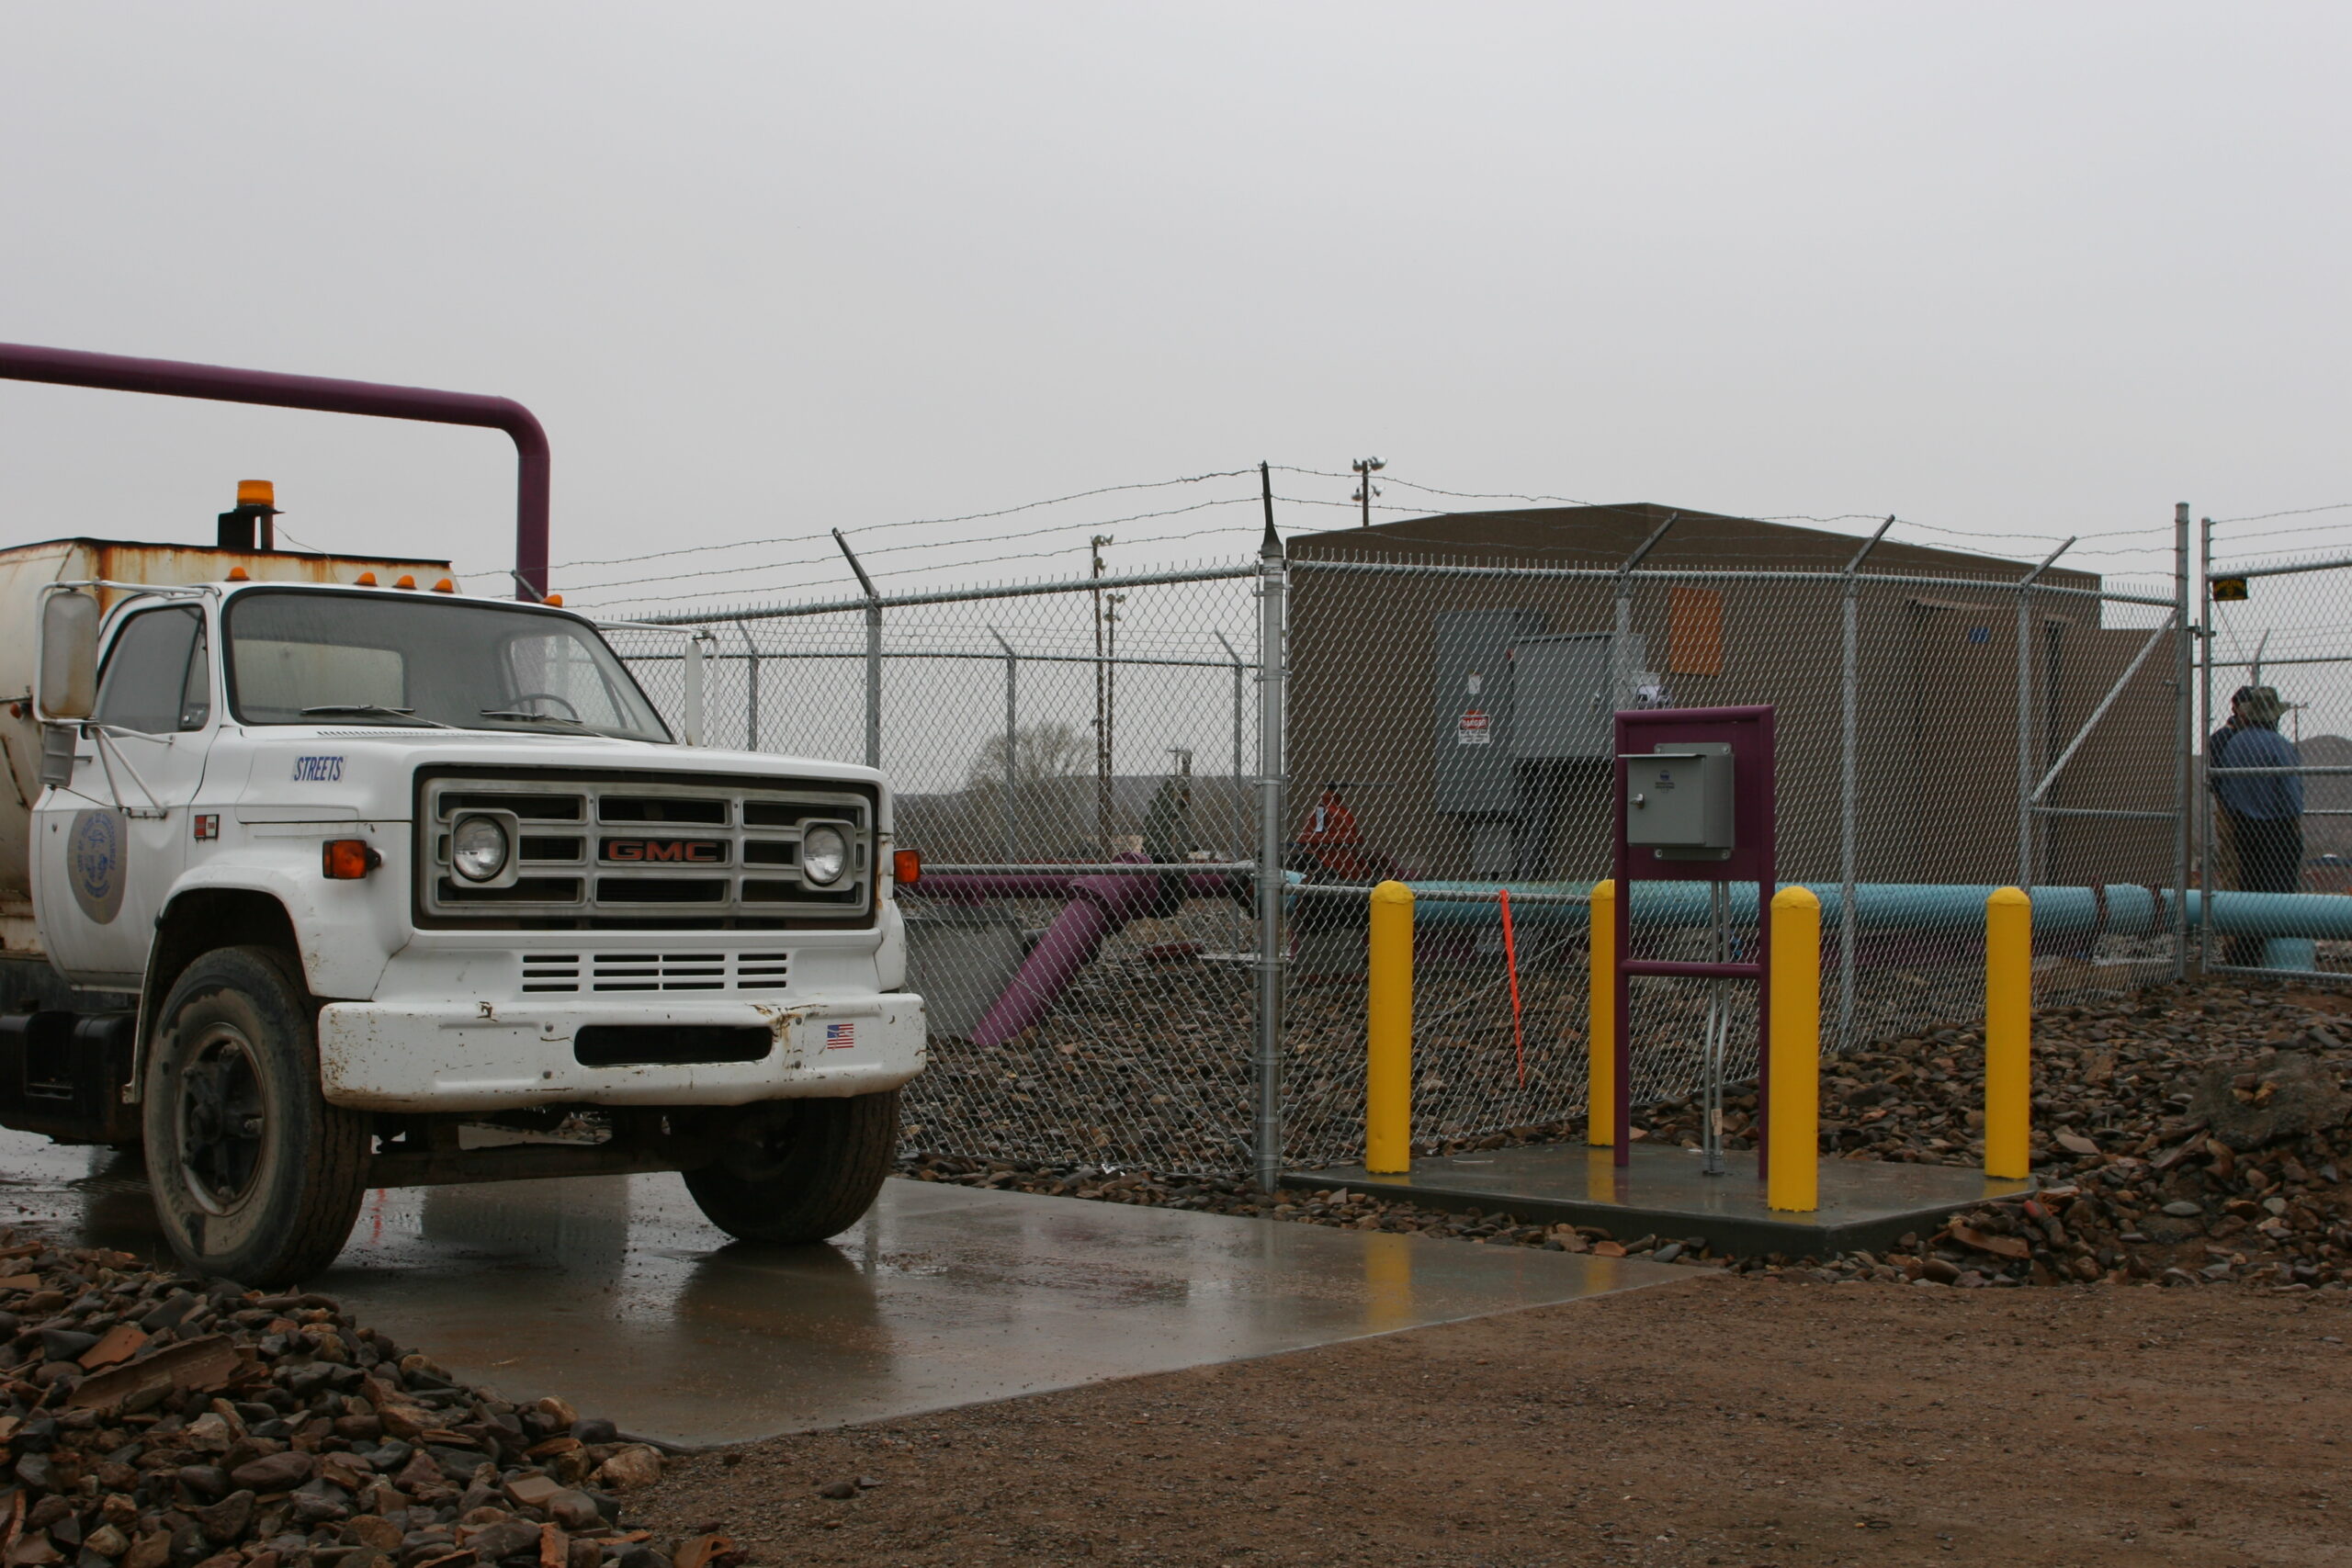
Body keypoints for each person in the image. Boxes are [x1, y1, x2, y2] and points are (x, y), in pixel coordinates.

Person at [2210, 684, 2304, 962]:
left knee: (2250, 888)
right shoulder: (2281, 746)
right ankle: (2276, 953)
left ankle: (2246, 953)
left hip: (2245, 828)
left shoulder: (2233, 744)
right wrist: (2293, 821)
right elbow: (2291, 792)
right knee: (2281, 891)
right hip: (2279, 828)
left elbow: (2225, 790)